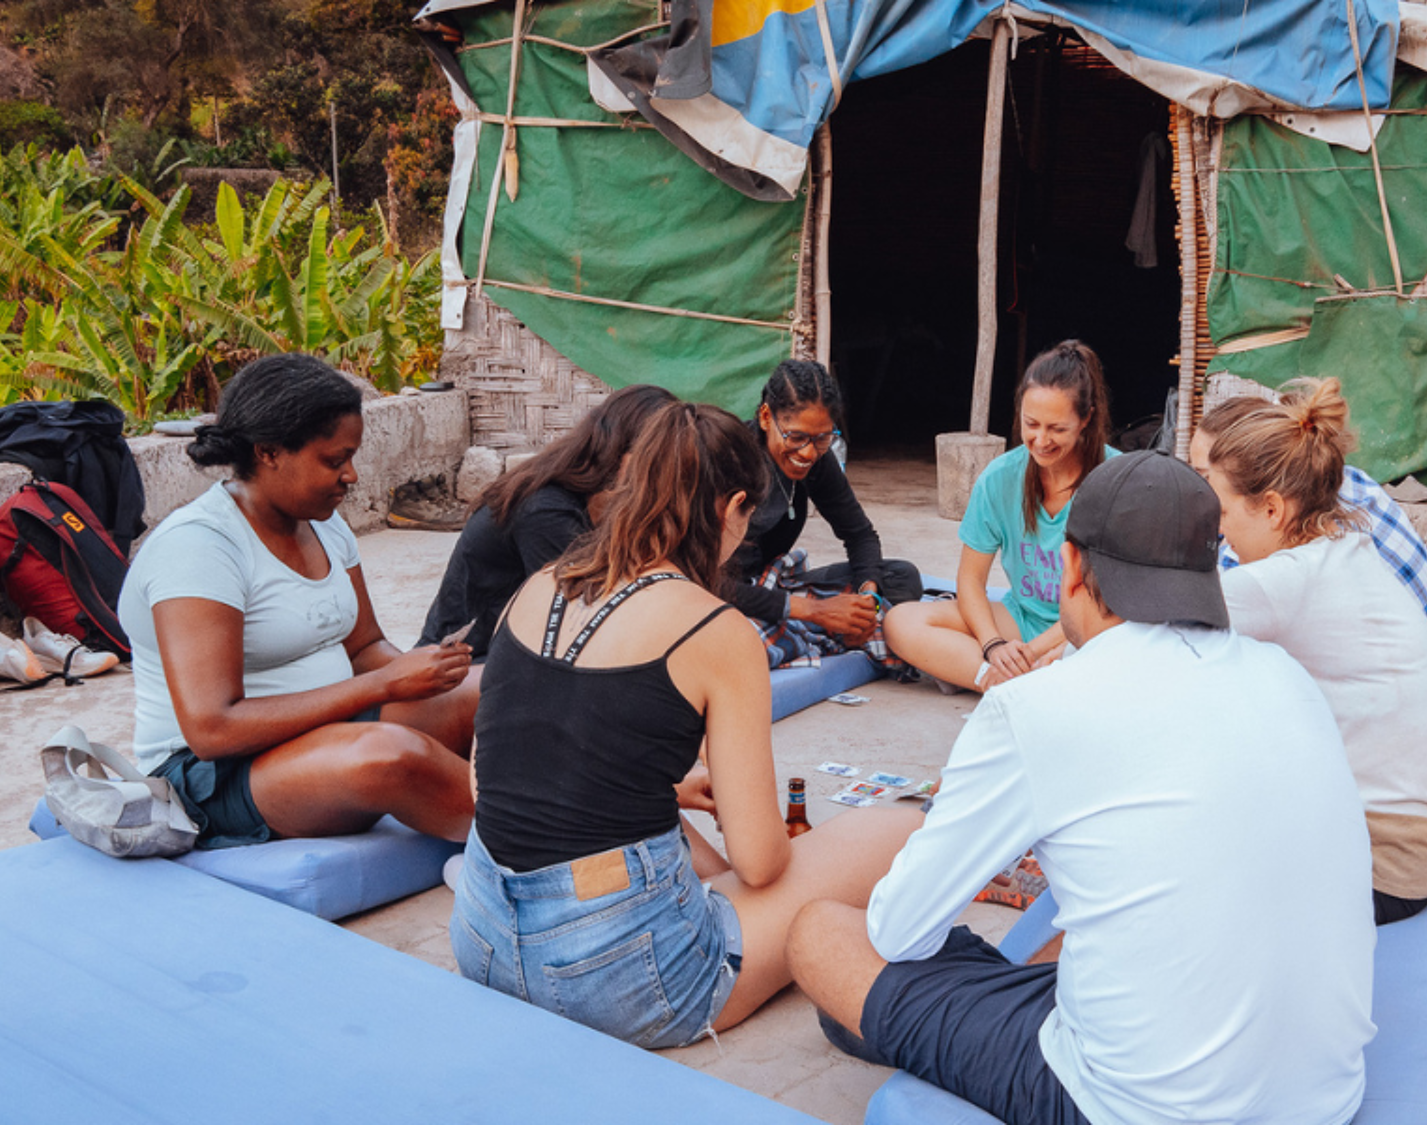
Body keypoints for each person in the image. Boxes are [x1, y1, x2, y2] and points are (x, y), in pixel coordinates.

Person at [788, 451, 1375, 1125]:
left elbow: (898, 932)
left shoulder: (1035, 706)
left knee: (822, 935)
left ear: (1070, 565)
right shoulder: (1286, 675)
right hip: (1325, 1097)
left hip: (1135, 1106)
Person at [451, 400, 923, 1049]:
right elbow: (758, 862)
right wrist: (735, 807)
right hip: (618, 981)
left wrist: (664, 792)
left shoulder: (537, 586)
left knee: (658, 828)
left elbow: (491, 784)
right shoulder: (717, 628)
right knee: (896, 826)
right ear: (733, 509)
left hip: (480, 941)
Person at [118, 353, 476, 848]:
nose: (350, 476)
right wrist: (382, 686)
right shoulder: (199, 548)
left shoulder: (325, 524)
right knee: (391, 755)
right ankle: (535, 849)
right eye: (334, 461)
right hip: (215, 775)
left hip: (329, 728)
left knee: (493, 687)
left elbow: (363, 647)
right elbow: (212, 729)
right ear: (268, 452)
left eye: (351, 458)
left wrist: (421, 674)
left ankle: (540, 810)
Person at [1198, 379, 1427, 925]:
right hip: (1409, 847)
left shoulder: (1282, 581)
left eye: (1221, 512)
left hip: (1379, 865)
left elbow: (1140, 623)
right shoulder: (1342, 544)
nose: (1218, 532)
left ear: (1271, 508)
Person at [1190, 393, 1427, 766]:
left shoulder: (1275, 579)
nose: (1213, 520)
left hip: (1385, 811)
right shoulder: (1348, 532)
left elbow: (1177, 645)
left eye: (1217, 500)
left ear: (1271, 506)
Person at [883, 340, 1114, 692]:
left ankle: (1014, 682)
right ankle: (1012, 684)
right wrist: (993, 646)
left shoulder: (1117, 479)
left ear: (1086, 419)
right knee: (900, 621)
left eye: (1057, 429)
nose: (1040, 440)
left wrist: (1030, 652)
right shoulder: (1000, 477)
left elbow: (1111, 602)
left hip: (1090, 626)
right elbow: (971, 580)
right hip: (1020, 619)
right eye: (1031, 424)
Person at [417, 384, 678, 659]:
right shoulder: (545, 511)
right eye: (655, 461)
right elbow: (586, 615)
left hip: (510, 653)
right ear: (618, 452)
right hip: (462, 666)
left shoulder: (584, 499)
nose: (662, 475)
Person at [728, 360, 921, 662]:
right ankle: (802, 630)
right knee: (725, 639)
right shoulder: (731, 460)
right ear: (766, 417)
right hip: (716, 592)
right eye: (796, 437)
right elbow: (701, 581)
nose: (807, 452)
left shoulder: (817, 459)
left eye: (822, 438)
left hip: (769, 585)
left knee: (901, 578)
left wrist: (866, 604)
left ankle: (808, 631)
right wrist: (814, 611)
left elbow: (860, 535)